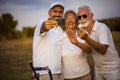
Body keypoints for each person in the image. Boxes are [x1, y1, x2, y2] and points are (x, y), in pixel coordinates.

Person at [77, 5, 120, 80]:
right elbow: (88, 50)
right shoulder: (85, 32)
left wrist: (87, 39)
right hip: (98, 67)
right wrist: (76, 42)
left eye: (84, 16)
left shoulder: (102, 27)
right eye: (79, 17)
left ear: (92, 15)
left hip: (111, 68)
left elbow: (103, 50)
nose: (82, 19)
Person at [32, 1, 64, 80]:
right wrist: (45, 26)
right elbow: (43, 27)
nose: (57, 14)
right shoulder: (41, 22)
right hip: (44, 74)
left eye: (60, 12)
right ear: (49, 13)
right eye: (55, 11)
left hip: (58, 74)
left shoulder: (60, 30)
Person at [62, 10, 92, 80]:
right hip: (67, 77)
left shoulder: (82, 33)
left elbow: (89, 50)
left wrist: (77, 43)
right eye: (67, 18)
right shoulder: (59, 37)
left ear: (76, 20)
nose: (70, 20)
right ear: (64, 22)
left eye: (72, 18)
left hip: (84, 75)